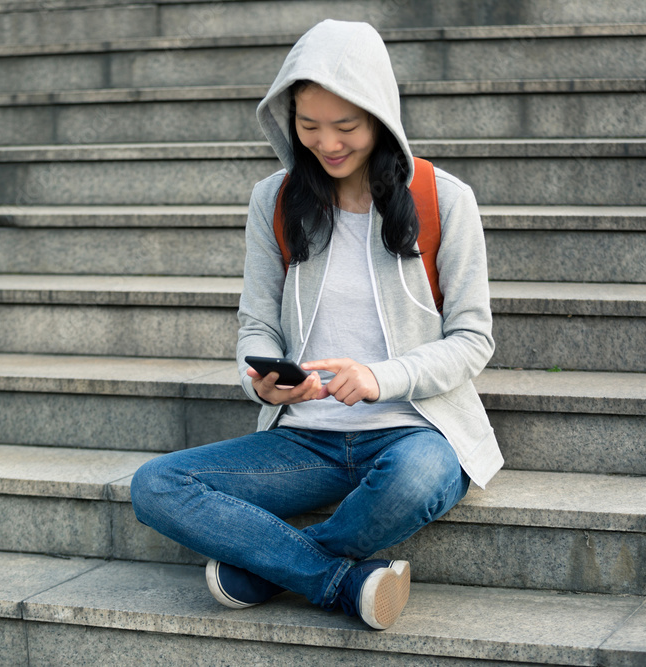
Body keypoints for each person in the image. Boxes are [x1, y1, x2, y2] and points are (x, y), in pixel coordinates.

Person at [131, 19, 503, 631]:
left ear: (381, 116)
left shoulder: (445, 199)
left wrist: (381, 379)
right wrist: (262, 378)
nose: (327, 143)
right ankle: (343, 581)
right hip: (304, 439)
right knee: (156, 485)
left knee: (420, 479)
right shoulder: (273, 201)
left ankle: (267, 569)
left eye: (346, 126)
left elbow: (473, 338)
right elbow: (256, 323)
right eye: (308, 126)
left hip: (414, 430)